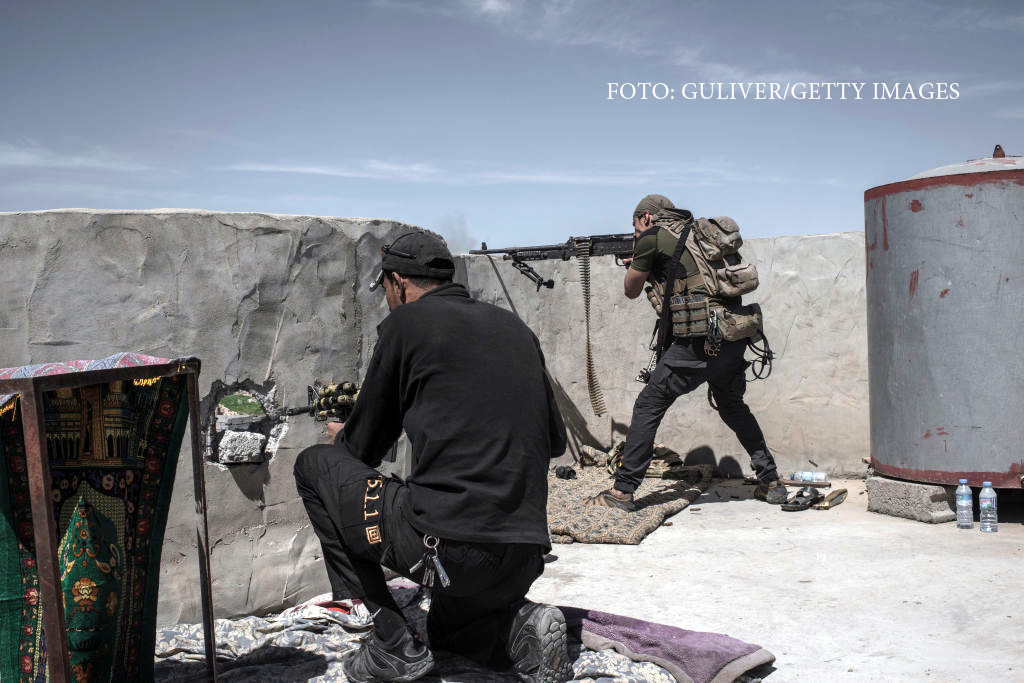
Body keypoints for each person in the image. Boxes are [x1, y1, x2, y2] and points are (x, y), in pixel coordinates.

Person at [293, 229, 573, 683]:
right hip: (523, 556)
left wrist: (340, 434)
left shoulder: (407, 325)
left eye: (384, 289)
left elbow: (361, 450)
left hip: (448, 549)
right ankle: (519, 627)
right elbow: (554, 440)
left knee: (316, 466)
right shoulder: (515, 328)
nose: (386, 299)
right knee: (447, 630)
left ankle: (389, 642)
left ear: (398, 281)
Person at [586, 194, 788, 511]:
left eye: (636, 227)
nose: (637, 233)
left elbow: (631, 290)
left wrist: (639, 259)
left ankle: (622, 492)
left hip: (697, 342)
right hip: (734, 334)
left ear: (646, 218)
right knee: (733, 407)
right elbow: (691, 279)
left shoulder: (652, 236)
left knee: (648, 405)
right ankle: (771, 481)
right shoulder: (695, 235)